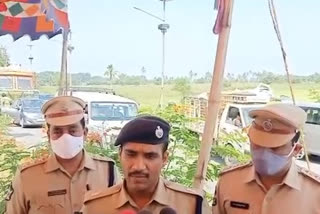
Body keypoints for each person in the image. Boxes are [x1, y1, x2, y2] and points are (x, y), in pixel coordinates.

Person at [5, 96, 120, 214]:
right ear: (49, 135)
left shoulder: (108, 171)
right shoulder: (27, 177)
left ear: (84, 133)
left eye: (72, 130)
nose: (66, 137)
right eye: (58, 131)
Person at [82, 115, 211, 214]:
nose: (139, 166)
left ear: (164, 158)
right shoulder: (95, 206)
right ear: (119, 154)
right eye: (131, 154)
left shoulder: (193, 205)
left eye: (150, 156)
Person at [212, 103, 320, 214]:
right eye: (257, 145)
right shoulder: (229, 181)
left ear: (296, 149)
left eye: (274, 148)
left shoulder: (316, 193)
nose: (263, 154)